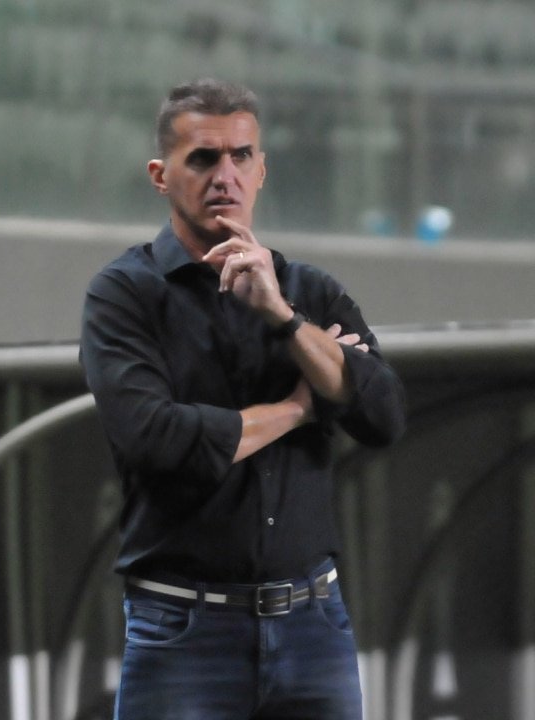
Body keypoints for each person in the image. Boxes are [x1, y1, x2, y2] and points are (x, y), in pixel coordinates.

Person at [79, 78, 406, 719]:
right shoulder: (123, 294)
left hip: (315, 624)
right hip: (183, 631)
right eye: (203, 158)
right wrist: (300, 407)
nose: (224, 175)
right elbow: (157, 439)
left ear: (262, 170)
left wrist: (283, 318)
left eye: (241, 156)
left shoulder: (308, 290)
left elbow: (385, 415)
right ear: (161, 175)